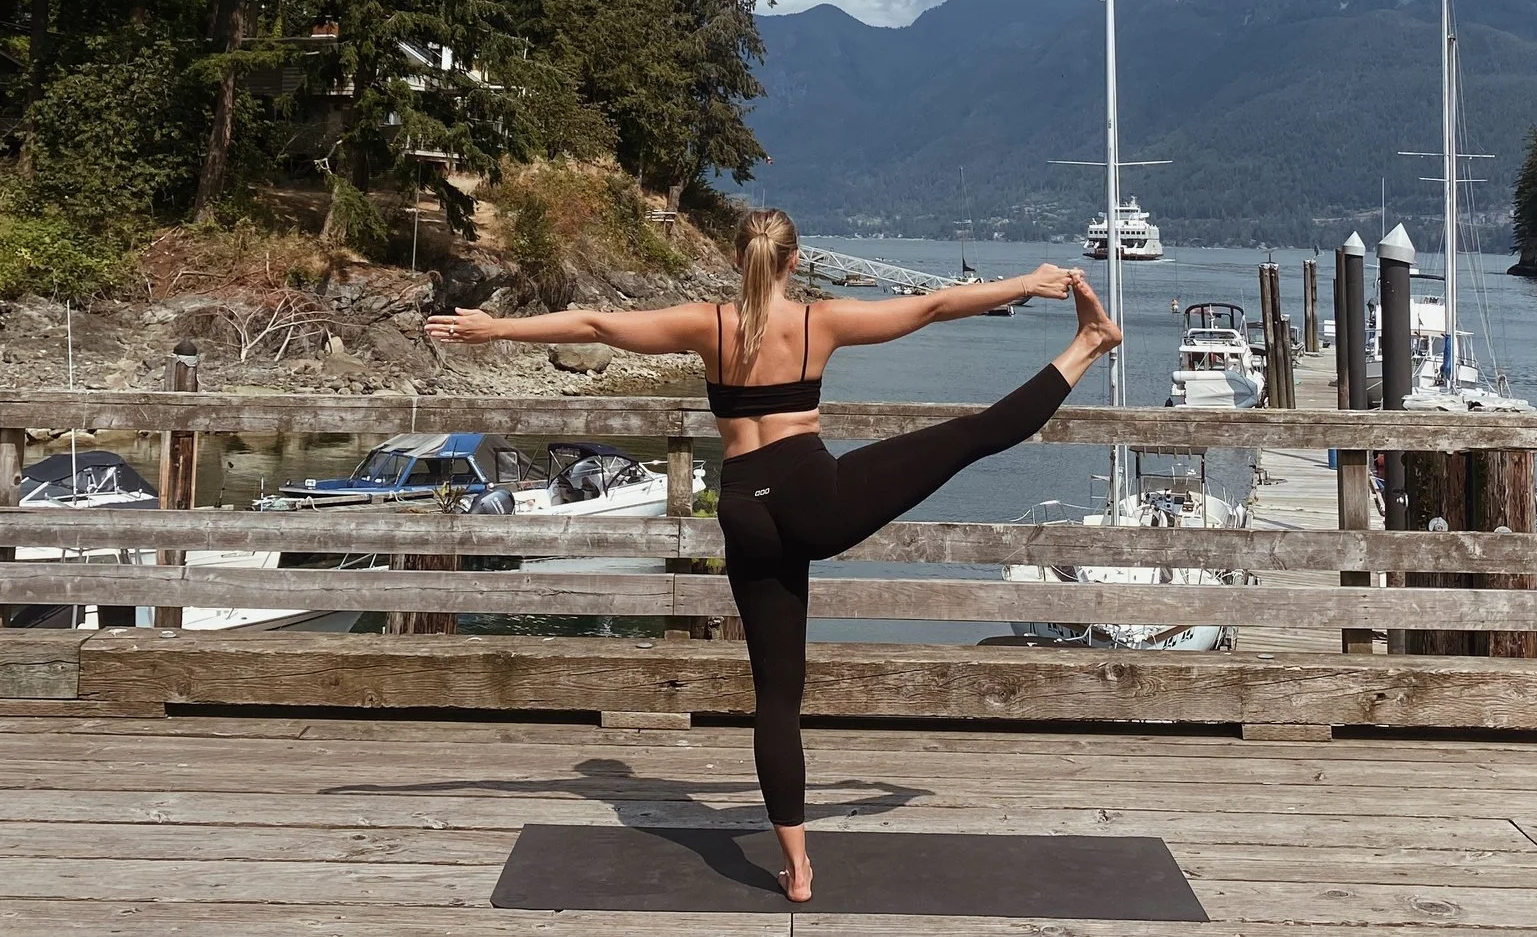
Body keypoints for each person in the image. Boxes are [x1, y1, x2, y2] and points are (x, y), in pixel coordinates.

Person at [427, 206, 1121, 904]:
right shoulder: (818, 322)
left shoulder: (709, 324)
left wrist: (493, 327)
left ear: (739, 260)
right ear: (794, 261)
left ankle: (798, 868)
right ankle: (1088, 344)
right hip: (815, 500)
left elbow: (597, 324)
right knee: (973, 433)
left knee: (777, 699)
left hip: (745, 513)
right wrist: (1026, 281)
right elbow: (936, 305)